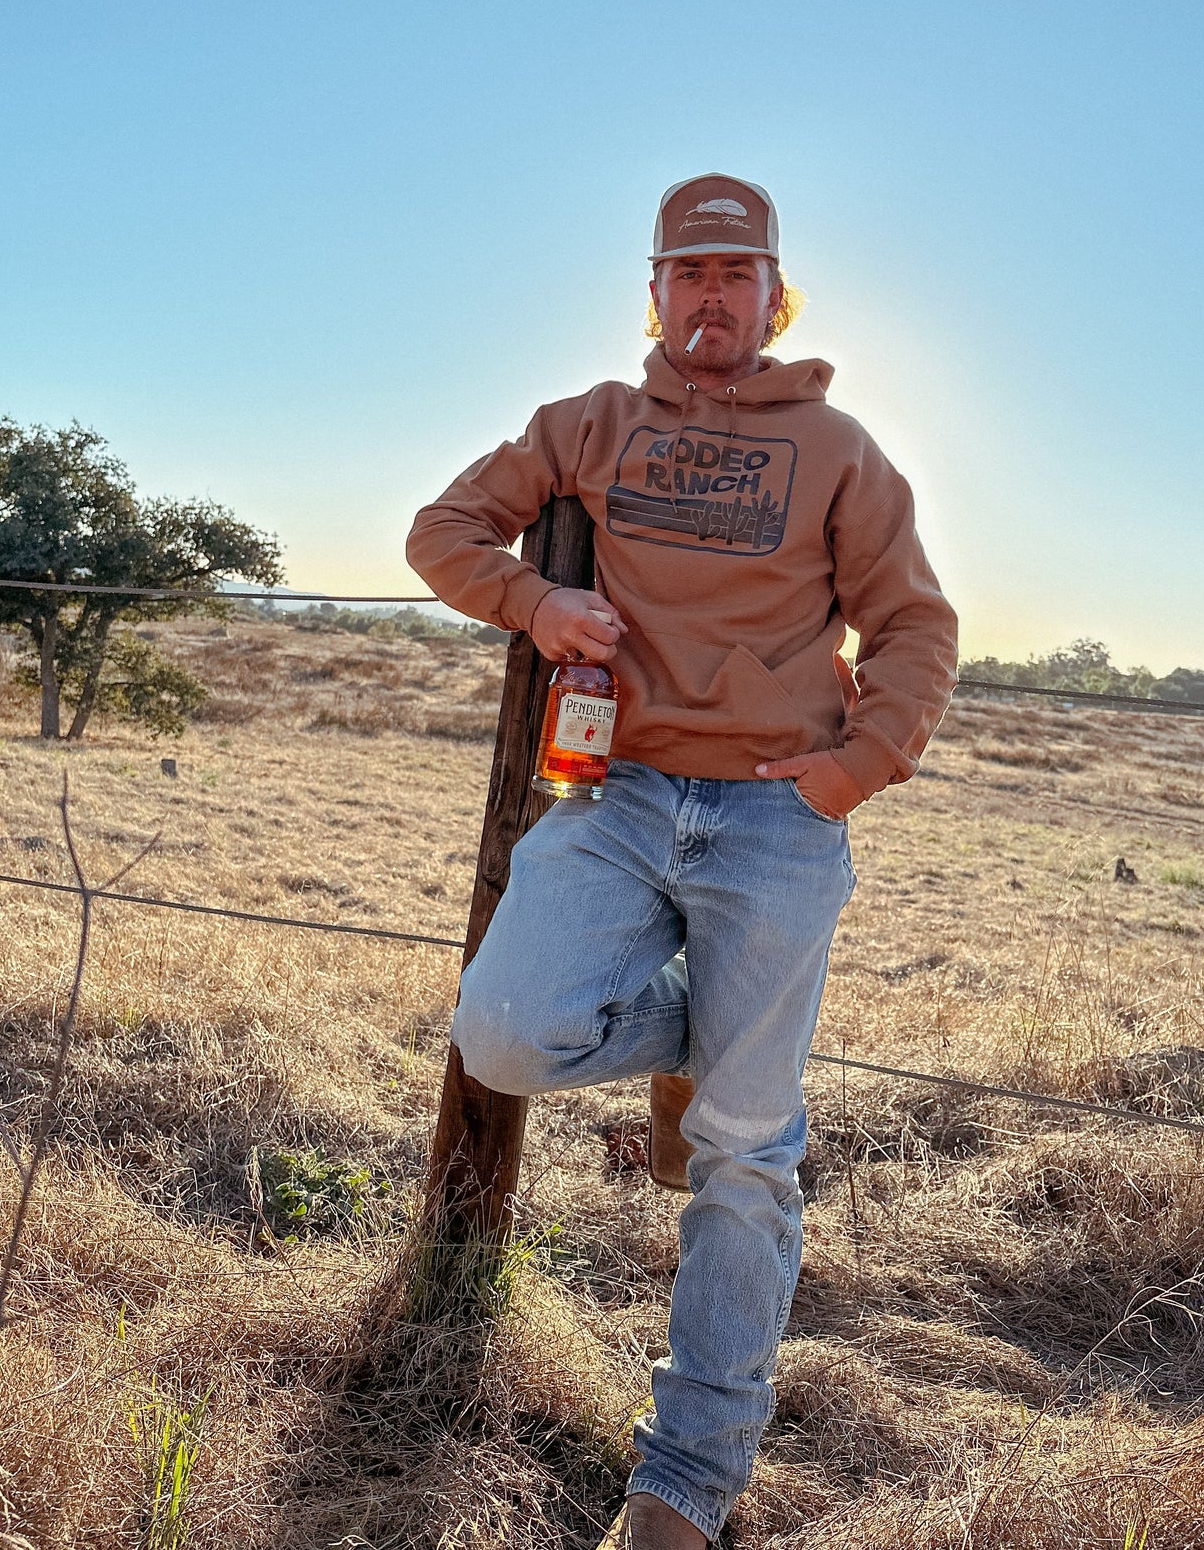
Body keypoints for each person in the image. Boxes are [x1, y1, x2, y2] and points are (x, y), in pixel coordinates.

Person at [406, 173, 958, 1547]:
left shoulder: (838, 448)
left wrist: (851, 769)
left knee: (743, 1155)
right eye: (686, 273)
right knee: (507, 1034)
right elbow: (442, 532)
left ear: (774, 299)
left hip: (775, 815)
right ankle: (698, 1036)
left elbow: (914, 627)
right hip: (618, 791)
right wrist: (537, 601)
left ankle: (683, 1487)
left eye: (737, 275)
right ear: (653, 293)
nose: (711, 297)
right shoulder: (588, 423)